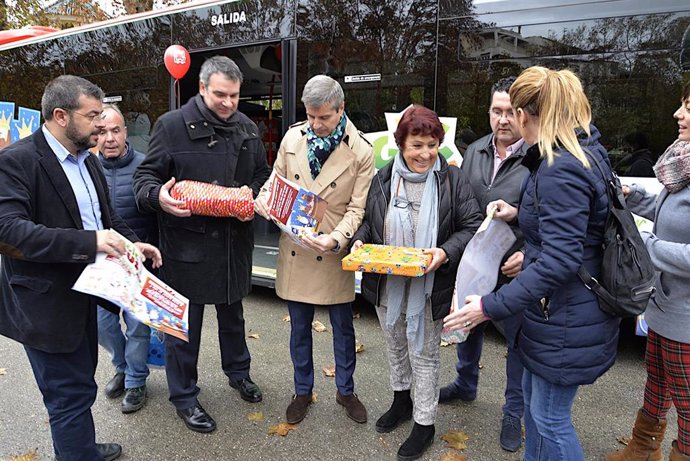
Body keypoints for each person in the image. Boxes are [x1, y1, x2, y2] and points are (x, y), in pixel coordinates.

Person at [444, 66, 621, 461]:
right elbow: (574, 231)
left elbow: (561, 258)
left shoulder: (560, 167)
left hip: (565, 316)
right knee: (539, 413)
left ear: (525, 114)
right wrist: (520, 213)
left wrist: (488, 306)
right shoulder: (583, 152)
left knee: (551, 419)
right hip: (562, 311)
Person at [0, 75, 161, 461]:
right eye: (92, 118)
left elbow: (103, 220)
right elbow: (8, 232)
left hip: (88, 294)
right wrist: (90, 243)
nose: (101, 127)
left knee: (80, 386)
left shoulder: (87, 161)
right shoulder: (17, 161)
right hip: (46, 307)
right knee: (67, 397)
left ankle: (81, 448)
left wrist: (128, 241)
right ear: (60, 116)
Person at [133, 56, 271, 433]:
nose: (228, 103)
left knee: (233, 319)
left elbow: (262, 174)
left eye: (234, 96)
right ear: (202, 89)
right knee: (184, 329)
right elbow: (145, 178)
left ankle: (238, 373)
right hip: (187, 247)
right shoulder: (171, 125)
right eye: (220, 95)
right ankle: (184, 397)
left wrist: (252, 196)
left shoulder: (246, 126)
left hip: (232, 244)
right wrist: (157, 198)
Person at [350, 105, 483, 461]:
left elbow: (472, 225)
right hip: (387, 285)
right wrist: (361, 241)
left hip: (429, 286)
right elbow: (368, 221)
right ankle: (401, 402)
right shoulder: (382, 177)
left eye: (431, 144)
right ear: (401, 145)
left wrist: (444, 251)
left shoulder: (452, 180)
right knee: (395, 346)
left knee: (423, 354)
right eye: (416, 145)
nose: (425, 153)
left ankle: (425, 423)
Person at [254, 75, 374, 426]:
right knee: (299, 329)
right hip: (296, 247)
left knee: (343, 329)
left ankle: (345, 390)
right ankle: (302, 391)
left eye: (324, 117)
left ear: (341, 110)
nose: (316, 125)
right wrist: (264, 201)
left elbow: (357, 209)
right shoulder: (293, 136)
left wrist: (336, 239)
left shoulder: (362, 150)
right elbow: (274, 181)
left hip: (333, 249)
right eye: (311, 117)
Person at [438, 76, 529, 452]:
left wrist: (529, 253)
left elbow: (552, 212)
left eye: (510, 112)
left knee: (519, 343)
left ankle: (513, 412)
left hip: (517, 270)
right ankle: (465, 383)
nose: (503, 119)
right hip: (475, 266)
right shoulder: (473, 152)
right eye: (496, 111)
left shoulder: (539, 156)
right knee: (469, 325)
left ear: (522, 114)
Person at [605, 81, 690, 461]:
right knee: (657, 383)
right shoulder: (684, 166)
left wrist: (648, 247)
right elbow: (669, 212)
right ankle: (643, 448)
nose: (678, 114)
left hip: (686, 319)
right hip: (665, 307)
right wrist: (633, 196)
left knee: (688, 406)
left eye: (689, 107)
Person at [96, 104, 158, 414]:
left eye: (115, 130)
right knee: (102, 325)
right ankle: (120, 366)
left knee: (138, 327)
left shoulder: (145, 167)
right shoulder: (86, 168)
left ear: (125, 132)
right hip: (100, 265)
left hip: (138, 264)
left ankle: (135, 381)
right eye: (103, 131)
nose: (109, 138)